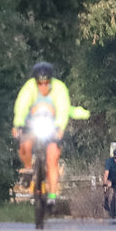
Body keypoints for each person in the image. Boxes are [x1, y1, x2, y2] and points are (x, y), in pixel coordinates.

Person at [12, 61, 73, 200]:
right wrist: (17, 124)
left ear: (51, 81)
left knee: (53, 158)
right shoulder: (29, 88)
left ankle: (52, 195)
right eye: (40, 83)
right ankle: (28, 169)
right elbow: (21, 106)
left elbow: (63, 109)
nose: (43, 86)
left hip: (52, 126)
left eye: (46, 83)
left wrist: (60, 128)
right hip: (31, 124)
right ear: (35, 82)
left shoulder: (59, 89)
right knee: (24, 146)